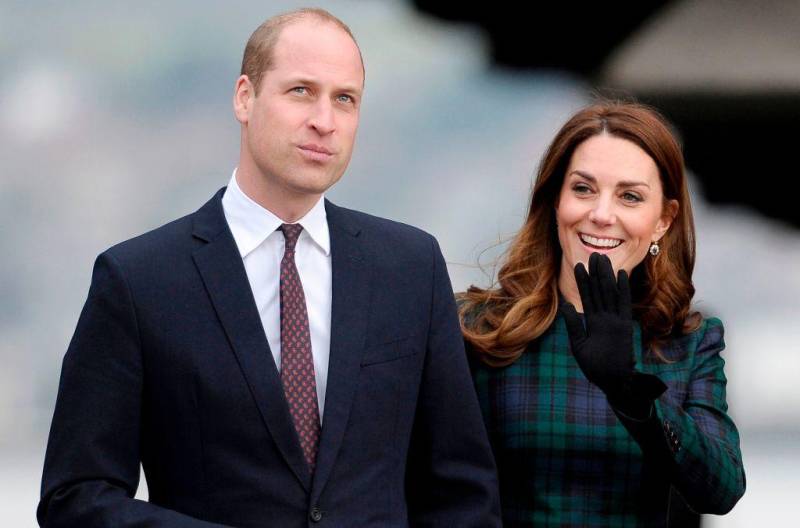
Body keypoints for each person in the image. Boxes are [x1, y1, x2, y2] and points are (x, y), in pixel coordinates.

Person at [38, 8, 500, 527]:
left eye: (344, 99)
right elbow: (75, 496)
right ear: (244, 96)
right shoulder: (139, 280)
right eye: (301, 90)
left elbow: (462, 491)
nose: (324, 120)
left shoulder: (411, 267)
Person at [459, 101, 745, 526]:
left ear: (663, 220)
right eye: (583, 189)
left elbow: (720, 490)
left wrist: (629, 392)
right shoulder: (477, 328)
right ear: (556, 199)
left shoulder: (688, 341)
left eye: (629, 196)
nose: (601, 214)